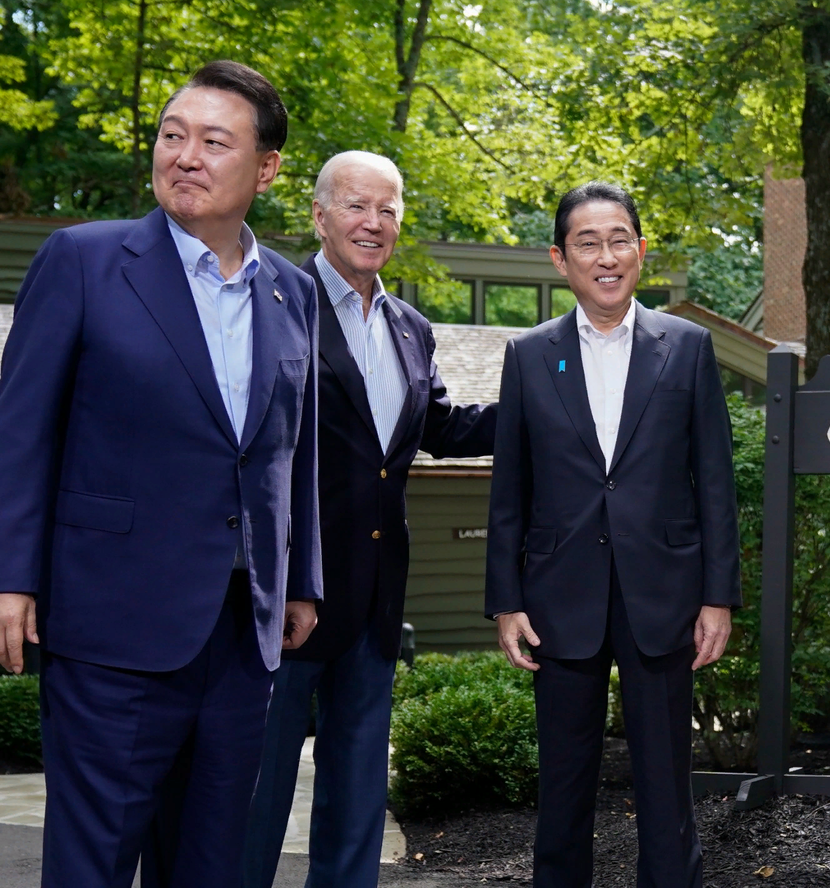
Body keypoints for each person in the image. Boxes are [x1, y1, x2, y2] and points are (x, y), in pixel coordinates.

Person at [0, 60, 321, 888]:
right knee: (92, 867)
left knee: (210, 868)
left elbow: (295, 451)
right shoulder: (82, 260)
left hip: (242, 638)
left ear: (266, 168)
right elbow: (20, 432)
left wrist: (301, 582)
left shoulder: (292, 292)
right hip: (110, 627)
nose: (185, 155)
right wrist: (12, 577)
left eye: (214, 142)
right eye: (172, 136)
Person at [240, 150, 497, 888]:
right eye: (356, 205)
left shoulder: (411, 326)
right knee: (255, 795)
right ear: (319, 215)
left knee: (357, 800)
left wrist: (541, 409)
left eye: (387, 209)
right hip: (287, 598)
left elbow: (439, 428)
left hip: (377, 599)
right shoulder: (270, 302)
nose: (373, 222)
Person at [485, 181, 741, 887]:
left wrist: (718, 597)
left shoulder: (687, 347)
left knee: (666, 787)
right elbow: (511, 489)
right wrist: (506, 600)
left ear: (641, 250)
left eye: (619, 240)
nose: (606, 256)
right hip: (558, 597)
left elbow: (715, 481)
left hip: (665, 595)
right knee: (563, 785)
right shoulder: (529, 354)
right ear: (559, 258)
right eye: (587, 243)